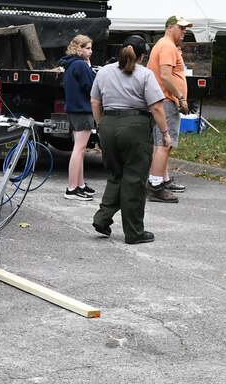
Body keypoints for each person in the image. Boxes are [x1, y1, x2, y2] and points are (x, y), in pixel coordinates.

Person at [89, 35, 171, 245]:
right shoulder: (144, 74)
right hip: (134, 126)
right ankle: (134, 232)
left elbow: (95, 101)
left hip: (107, 125)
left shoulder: (104, 71)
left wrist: (101, 126)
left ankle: (102, 218)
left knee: (116, 175)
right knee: (134, 180)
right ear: (142, 56)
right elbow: (156, 107)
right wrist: (165, 131)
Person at [146, 15, 193, 202]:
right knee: (164, 144)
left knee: (164, 144)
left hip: (164, 100)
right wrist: (181, 97)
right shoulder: (167, 46)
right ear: (170, 27)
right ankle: (156, 186)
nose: (184, 32)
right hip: (166, 101)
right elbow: (165, 75)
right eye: (181, 28)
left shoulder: (164, 45)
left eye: (185, 29)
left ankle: (162, 180)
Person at [60, 35, 97, 201]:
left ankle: (80, 184)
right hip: (83, 110)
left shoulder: (70, 64)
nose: (91, 51)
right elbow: (92, 86)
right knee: (79, 149)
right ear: (79, 48)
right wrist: (91, 69)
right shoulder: (81, 66)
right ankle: (72, 188)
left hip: (74, 110)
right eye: (87, 48)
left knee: (79, 148)